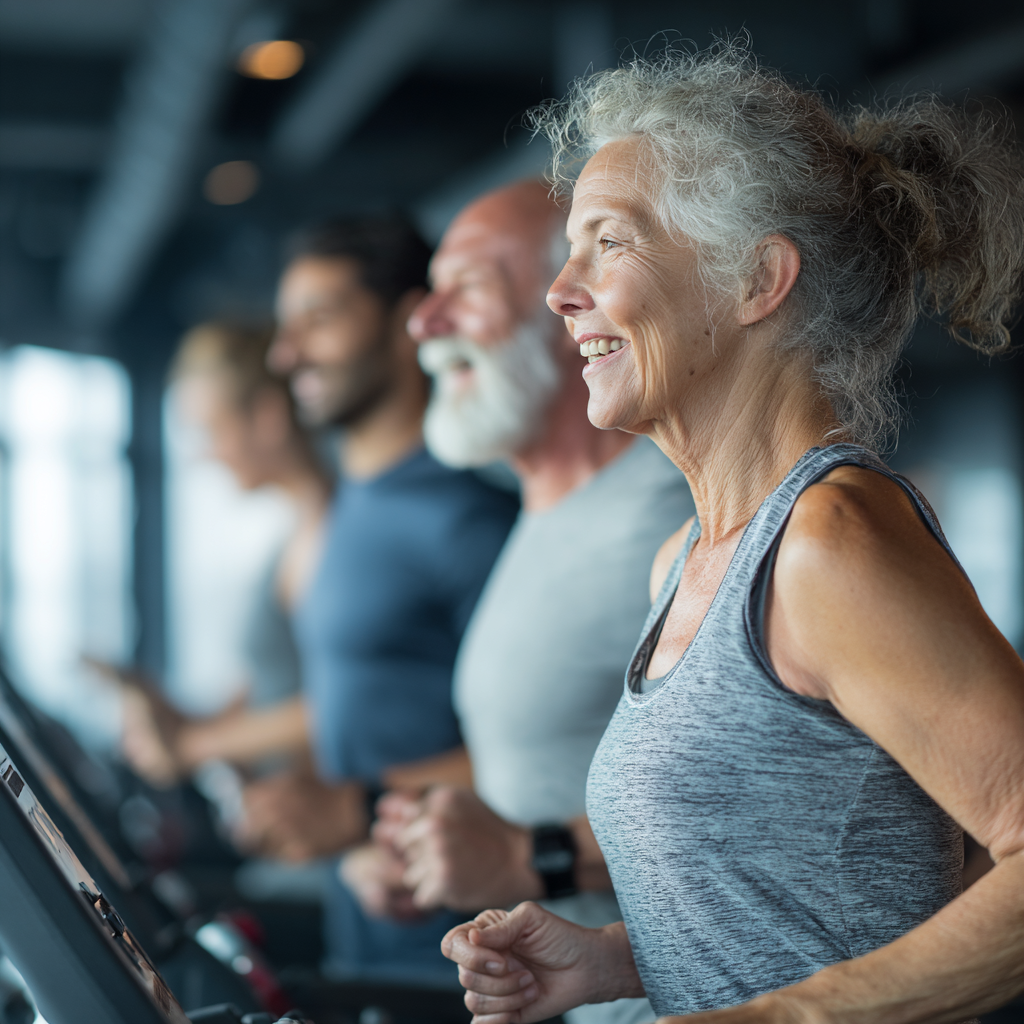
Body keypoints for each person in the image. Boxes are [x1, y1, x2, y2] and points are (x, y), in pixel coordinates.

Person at [443, 44, 1024, 1024]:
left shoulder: (828, 543)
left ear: (756, 279)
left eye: (608, 243)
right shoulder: (687, 561)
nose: (560, 291)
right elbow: (830, 896)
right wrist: (613, 961)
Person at [343, 181, 693, 1024]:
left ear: (570, 307)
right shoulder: (537, 511)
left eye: (466, 289)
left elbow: (764, 813)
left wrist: (525, 856)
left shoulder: (668, 514)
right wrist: (433, 844)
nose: (422, 324)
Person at [240, 216, 519, 983]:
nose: (285, 353)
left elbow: (544, 752)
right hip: (364, 935)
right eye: (285, 327)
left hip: (468, 966)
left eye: (319, 320)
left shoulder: (465, 518)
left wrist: (360, 808)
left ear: (405, 322)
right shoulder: (348, 509)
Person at [112, 321, 329, 786]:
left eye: (211, 431)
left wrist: (193, 747)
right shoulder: (294, 535)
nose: (203, 454)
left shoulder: (332, 536)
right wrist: (189, 722)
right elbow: (276, 687)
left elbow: (342, 706)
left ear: (267, 417)